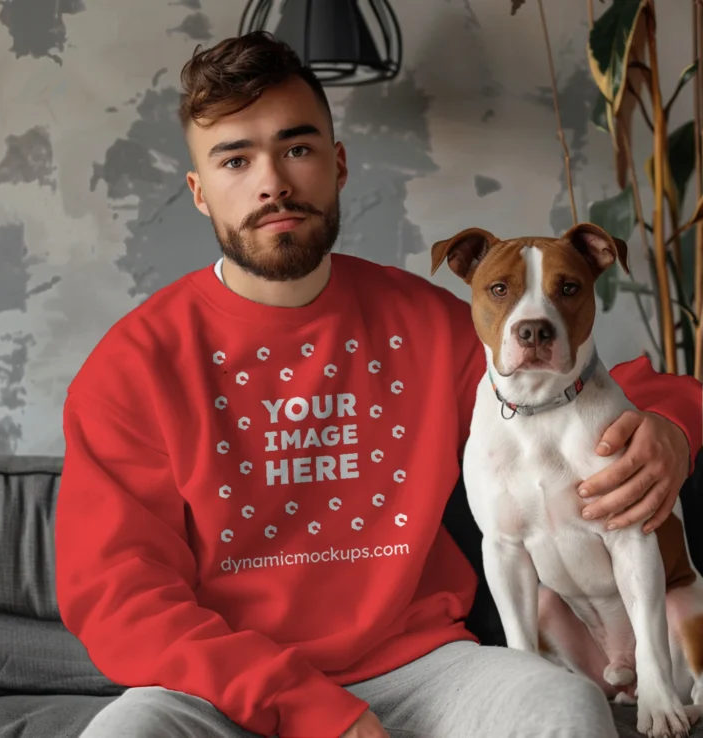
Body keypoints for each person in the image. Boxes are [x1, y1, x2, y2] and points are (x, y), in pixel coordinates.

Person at [56, 31, 702, 738]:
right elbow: (121, 598)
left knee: (563, 710)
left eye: (297, 148)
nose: (272, 181)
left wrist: (670, 426)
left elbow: (583, 386)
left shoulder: (426, 323)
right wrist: (310, 710)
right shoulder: (134, 365)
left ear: (337, 165)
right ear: (200, 193)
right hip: (219, 688)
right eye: (235, 159)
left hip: (423, 670)